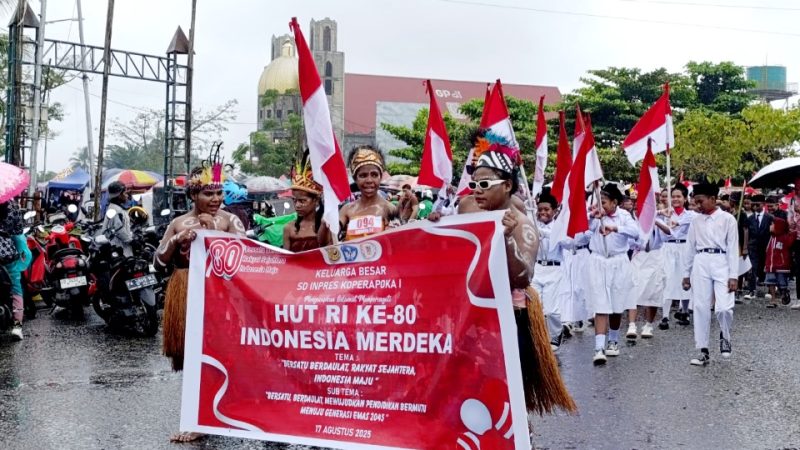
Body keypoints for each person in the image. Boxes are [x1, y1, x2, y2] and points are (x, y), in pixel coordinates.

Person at [154, 147, 245, 443]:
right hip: (185, 290)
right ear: (193, 195)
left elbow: (246, 254)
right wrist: (178, 240)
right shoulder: (178, 223)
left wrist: (215, 233)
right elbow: (158, 262)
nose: (216, 199)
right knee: (192, 357)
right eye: (208, 194)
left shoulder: (230, 221)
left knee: (217, 356)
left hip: (219, 294)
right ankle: (198, 418)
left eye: (219, 193)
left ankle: (219, 413)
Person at [682, 183, 738, 366]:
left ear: (713, 199)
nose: (698, 205)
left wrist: (734, 275)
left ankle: (725, 334)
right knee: (700, 306)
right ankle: (702, 349)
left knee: (724, 307)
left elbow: (732, 248)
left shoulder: (728, 219)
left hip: (722, 261)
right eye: (695, 202)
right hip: (701, 261)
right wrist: (686, 273)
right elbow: (689, 247)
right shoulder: (695, 221)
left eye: (701, 201)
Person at [586, 183, 638, 365]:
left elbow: (635, 232)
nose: (601, 205)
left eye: (605, 202)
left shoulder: (624, 216)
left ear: (615, 202)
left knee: (616, 305)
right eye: (599, 201)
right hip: (598, 262)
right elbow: (582, 228)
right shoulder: (594, 216)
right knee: (601, 305)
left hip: (618, 262)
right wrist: (592, 216)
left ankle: (613, 340)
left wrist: (615, 228)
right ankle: (599, 348)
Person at [320, 145, 398, 244]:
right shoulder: (347, 209)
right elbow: (325, 242)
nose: (369, 180)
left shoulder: (390, 209)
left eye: (374, 175)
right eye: (363, 175)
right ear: (355, 179)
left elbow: (397, 244)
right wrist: (325, 224)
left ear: (381, 177)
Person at [627, 198, 672, 339]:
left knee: (654, 291)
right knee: (634, 290)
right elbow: (630, 241)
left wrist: (655, 221)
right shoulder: (633, 222)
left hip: (655, 257)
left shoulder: (657, 219)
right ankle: (632, 325)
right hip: (639, 257)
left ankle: (648, 325)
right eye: (637, 208)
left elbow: (669, 232)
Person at [532, 190, 567, 351]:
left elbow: (567, 242)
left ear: (554, 210)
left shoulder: (559, 227)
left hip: (554, 270)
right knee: (536, 307)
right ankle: (539, 337)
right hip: (537, 268)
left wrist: (545, 233)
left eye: (546, 209)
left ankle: (556, 334)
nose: (543, 213)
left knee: (552, 310)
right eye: (540, 209)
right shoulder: (533, 224)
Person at [660, 184, 697, 330]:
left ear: (685, 198)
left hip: (684, 248)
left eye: (678, 196)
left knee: (685, 278)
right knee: (667, 280)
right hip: (668, 248)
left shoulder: (690, 214)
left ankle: (685, 311)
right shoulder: (665, 213)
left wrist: (678, 222)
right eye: (673, 196)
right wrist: (662, 213)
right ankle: (665, 316)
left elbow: (692, 219)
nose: (675, 199)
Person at [0, 199, 31, 340]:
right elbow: (18, 230)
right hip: (7, 253)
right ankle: (17, 326)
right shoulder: (12, 206)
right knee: (16, 289)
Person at [283, 152, 324, 252]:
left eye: (302, 201)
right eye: (295, 200)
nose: (297, 205)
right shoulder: (288, 228)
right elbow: (286, 259)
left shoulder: (325, 226)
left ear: (316, 201)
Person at [745, 194, 773, 300]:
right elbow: (747, 233)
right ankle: (751, 290)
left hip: (766, 246)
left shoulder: (770, 218)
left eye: (758, 204)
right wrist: (746, 247)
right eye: (754, 204)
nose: (755, 206)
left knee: (767, 268)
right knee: (752, 268)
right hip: (753, 246)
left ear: (763, 204)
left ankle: (770, 290)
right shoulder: (750, 218)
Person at [763, 217, 795, 308]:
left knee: (782, 282)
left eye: (772, 224)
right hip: (770, 265)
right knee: (770, 281)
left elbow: (790, 242)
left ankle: (784, 292)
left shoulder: (784, 237)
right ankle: (773, 299)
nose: (770, 226)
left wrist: (793, 231)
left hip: (781, 265)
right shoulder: (771, 238)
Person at [100, 181, 134, 257]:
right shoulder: (114, 210)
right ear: (119, 195)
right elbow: (119, 229)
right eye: (125, 193)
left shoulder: (117, 208)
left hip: (122, 247)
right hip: (120, 249)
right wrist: (131, 241)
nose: (126, 196)